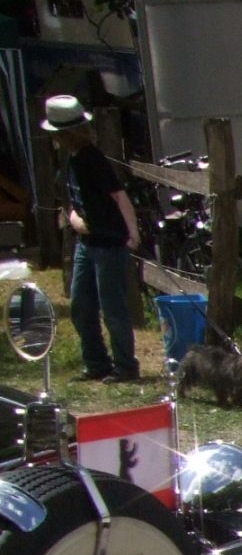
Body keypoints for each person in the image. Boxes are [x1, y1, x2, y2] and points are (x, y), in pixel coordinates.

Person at [43, 94, 141, 381]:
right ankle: (96, 362)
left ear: (67, 134)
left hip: (108, 244)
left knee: (113, 309)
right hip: (87, 245)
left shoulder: (92, 160)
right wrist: (75, 219)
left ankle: (126, 366)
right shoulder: (72, 160)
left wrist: (132, 231)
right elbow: (76, 204)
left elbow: (119, 197)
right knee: (81, 305)